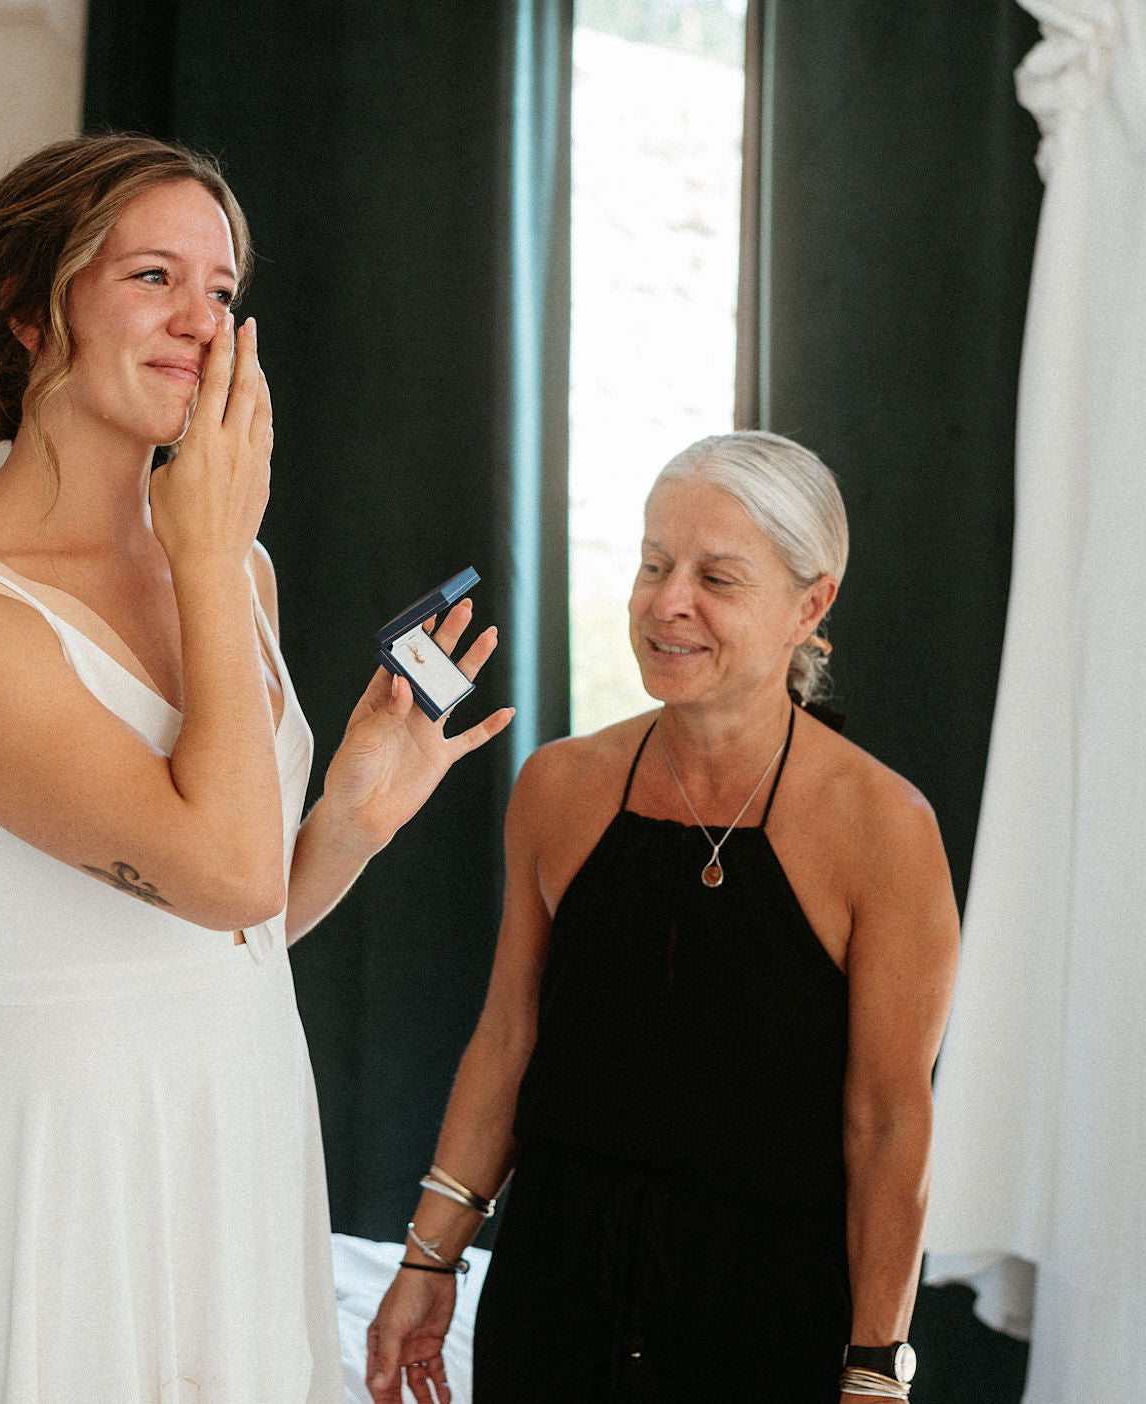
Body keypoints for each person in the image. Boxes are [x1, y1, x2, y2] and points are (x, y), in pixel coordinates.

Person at [0, 133, 512, 1403]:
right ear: (28, 313)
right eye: (152, 276)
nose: (203, 324)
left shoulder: (234, 573)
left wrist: (348, 819)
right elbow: (217, 871)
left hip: (242, 1135)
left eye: (221, 290)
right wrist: (208, 554)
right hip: (74, 1179)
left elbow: (234, 922)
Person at [366, 431, 960, 1404]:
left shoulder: (881, 829)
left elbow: (888, 1122)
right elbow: (509, 1039)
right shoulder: (557, 788)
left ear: (808, 606)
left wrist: (874, 1368)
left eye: (715, 578)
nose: (664, 602)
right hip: (551, 1313)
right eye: (651, 565)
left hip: (767, 1329)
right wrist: (429, 1263)